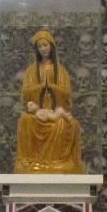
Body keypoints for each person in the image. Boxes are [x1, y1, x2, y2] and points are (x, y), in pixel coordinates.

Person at [14, 29, 85, 174]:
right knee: (26, 121)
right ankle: (31, 161)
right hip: (37, 111)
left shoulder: (61, 70)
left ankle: (57, 161)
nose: (43, 49)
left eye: (45, 45)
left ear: (51, 46)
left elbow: (66, 94)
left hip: (56, 110)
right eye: (39, 46)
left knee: (62, 124)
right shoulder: (31, 70)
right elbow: (25, 94)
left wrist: (52, 87)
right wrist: (40, 87)